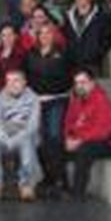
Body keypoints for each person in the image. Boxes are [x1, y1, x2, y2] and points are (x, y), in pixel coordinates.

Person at [23, 24, 74, 197]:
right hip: (36, 102)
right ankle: (48, 177)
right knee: (39, 140)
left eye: (48, 32)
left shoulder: (63, 53)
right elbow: (26, 77)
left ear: (54, 35)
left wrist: (55, 90)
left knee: (54, 137)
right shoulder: (31, 53)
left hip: (57, 100)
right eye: (41, 33)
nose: (44, 35)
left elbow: (69, 77)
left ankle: (62, 180)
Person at [0, 70, 43, 202]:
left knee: (27, 142)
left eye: (16, 80)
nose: (11, 84)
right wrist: (6, 139)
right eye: (8, 81)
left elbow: (32, 126)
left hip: (25, 136)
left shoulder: (33, 99)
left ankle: (26, 185)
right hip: (4, 136)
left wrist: (15, 140)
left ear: (24, 82)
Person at [64, 69, 111, 200]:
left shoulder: (102, 100)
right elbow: (68, 122)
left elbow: (102, 131)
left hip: (105, 143)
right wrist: (68, 138)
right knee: (52, 145)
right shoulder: (76, 100)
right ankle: (61, 186)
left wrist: (79, 140)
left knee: (84, 150)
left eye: (83, 82)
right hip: (80, 139)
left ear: (92, 83)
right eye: (77, 83)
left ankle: (78, 193)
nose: (79, 86)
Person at [63, 0, 111, 77]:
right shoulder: (68, 17)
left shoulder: (102, 17)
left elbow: (107, 40)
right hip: (72, 64)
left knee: (94, 90)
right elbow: (65, 38)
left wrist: (96, 54)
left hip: (93, 65)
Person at [0, 23, 26, 91]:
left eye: (10, 35)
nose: (7, 38)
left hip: (16, 91)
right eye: (4, 35)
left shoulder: (22, 53)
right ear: (0, 37)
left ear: (15, 36)